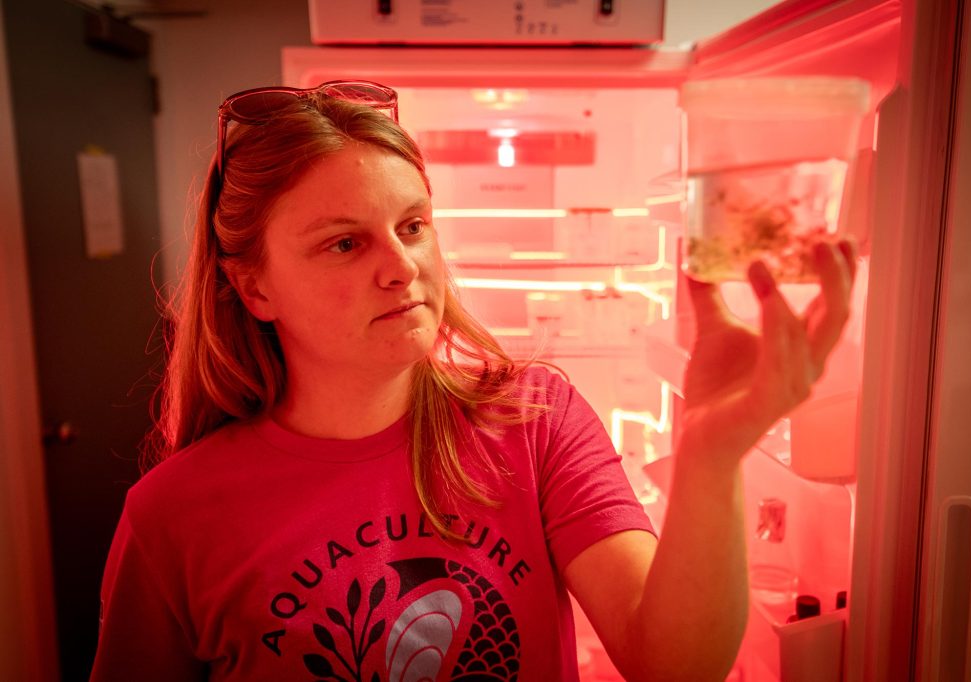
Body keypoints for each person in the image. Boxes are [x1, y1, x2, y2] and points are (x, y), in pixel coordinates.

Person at [90, 80, 856, 682]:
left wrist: (712, 450)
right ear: (254, 289)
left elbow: (674, 663)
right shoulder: (172, 517)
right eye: (345, 243)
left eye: (414, 226)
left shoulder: (534, 421)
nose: (402, 268)